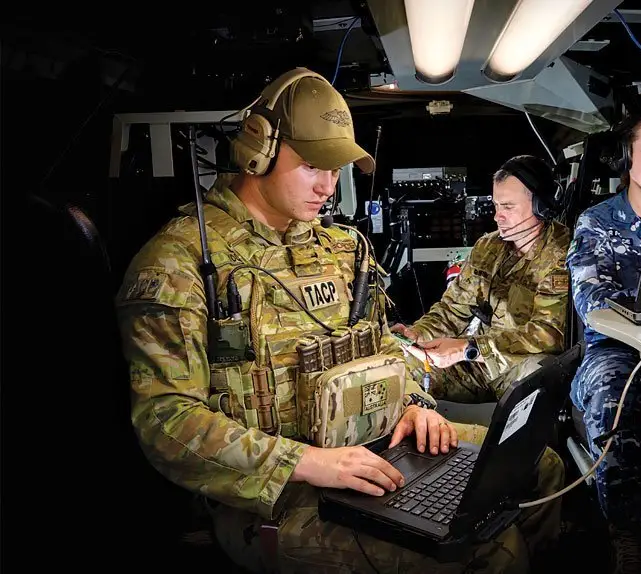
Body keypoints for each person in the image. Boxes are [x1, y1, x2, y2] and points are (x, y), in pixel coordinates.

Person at [115, 67, 564, 574]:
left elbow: (387, 348)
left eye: (337, 170)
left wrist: (415, 403)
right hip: (279, 492)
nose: (329, 186)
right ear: (257, 151)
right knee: (491, 552)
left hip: (378, 447)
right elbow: (165, 421)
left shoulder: (343, 250)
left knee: (540, 469)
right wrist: (309, 464)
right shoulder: (179, 262)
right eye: (313, 166)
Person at [566, 106, 641, 573]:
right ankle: (627, 531)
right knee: (612, 397)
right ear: (626, 158)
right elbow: (590, 298)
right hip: (617, 349)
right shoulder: (597, 222)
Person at [391, 155, 570, 405]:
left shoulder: (563, 254)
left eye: (508, 207)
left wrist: (467, 348)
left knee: (539, 372)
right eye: (496, 206)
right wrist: (418, 335)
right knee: (396, 366)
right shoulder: (488, 247)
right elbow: (452, 309)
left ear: (542, 206)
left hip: (519, 366)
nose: (498, 217)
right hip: (479, 364)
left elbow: (548, 334)